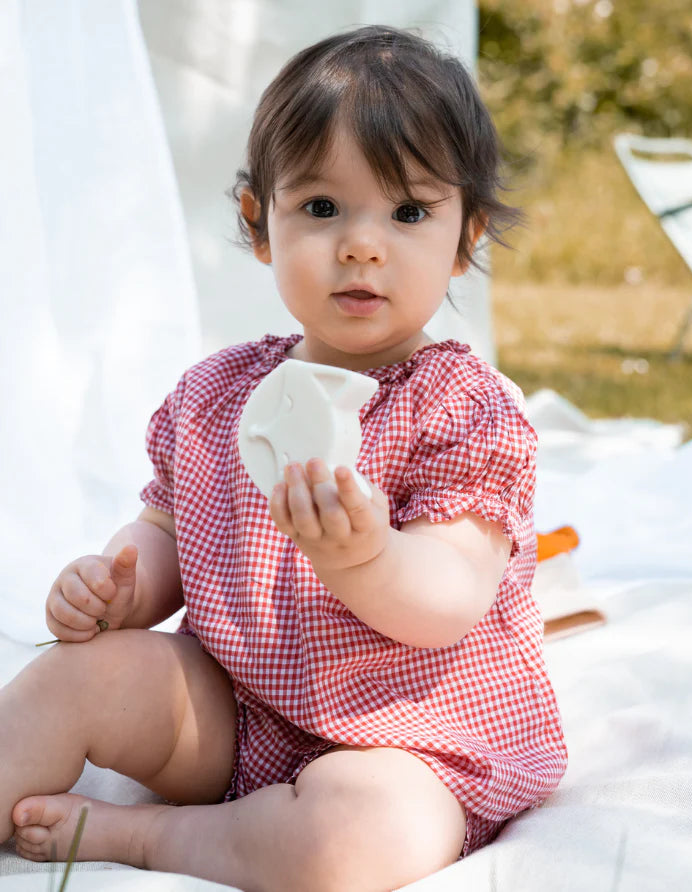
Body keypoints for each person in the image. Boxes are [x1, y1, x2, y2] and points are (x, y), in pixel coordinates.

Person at [0, 25, 567, 892]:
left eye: (409, 212)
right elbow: (166, 530)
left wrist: (368, 558)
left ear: (466, 238)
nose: (362, 245)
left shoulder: (463, 408)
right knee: (71, 676)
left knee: (357, 836)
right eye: (322, 207)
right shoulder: (219, 393)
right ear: (260, 226)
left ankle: (159, 839)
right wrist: (121, 584)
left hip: (410, 734)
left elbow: (449, 599)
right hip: (238, 706)